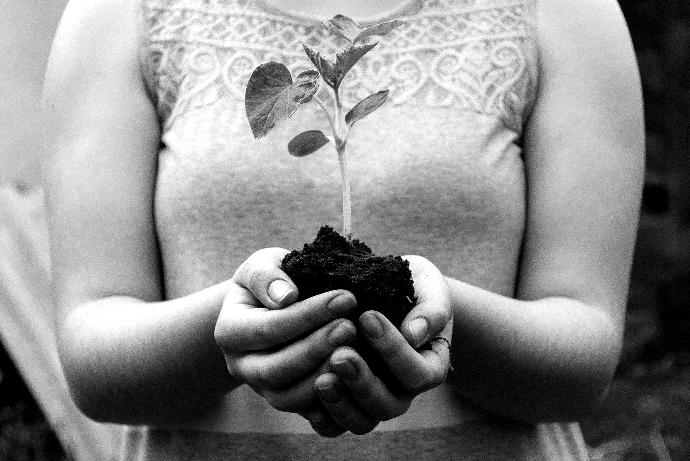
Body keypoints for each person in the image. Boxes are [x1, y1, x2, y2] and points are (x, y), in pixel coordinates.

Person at [41, 0, 644, 458]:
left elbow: (583, 357)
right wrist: (230, 330)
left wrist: (444, 316)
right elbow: (93, 358)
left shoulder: (565, 11)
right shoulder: (120, 13)